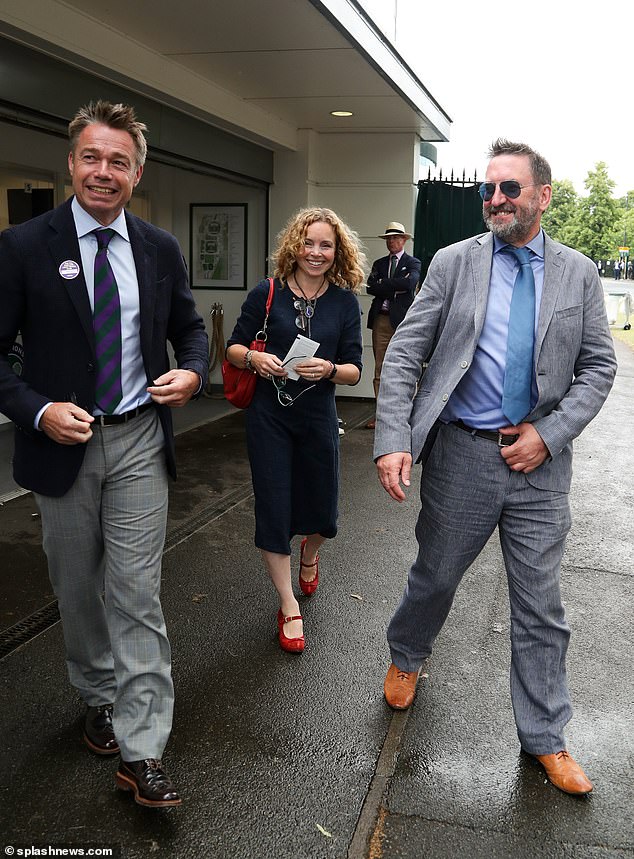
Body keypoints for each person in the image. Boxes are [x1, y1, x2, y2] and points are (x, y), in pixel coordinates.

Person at [374, 139, 616, 796]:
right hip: (462, 455)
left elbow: (599, 367)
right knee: (435, 576)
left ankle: (546, 736)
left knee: (541, 605)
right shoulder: (454, 263)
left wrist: (550, 432)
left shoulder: (578, 272)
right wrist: (393, 435)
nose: (496, 199)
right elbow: (405, 356)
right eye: (489, 189)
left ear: (541, 195)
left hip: (540, 465)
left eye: (510, 188)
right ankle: (407, 653)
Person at [0, 101, 208, 807]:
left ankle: (143, 748)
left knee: (136, 591)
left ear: (136, 171)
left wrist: (193, 371)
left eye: (118, 161)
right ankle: (96, 693)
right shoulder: (25, 245)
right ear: (71, 162)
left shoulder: (159, 248)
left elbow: (189, 328)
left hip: (139, 438)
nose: (103, 172)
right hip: (62, 445)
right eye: (92, 157)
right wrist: (37, 409)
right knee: (75, 583)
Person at [225, 207, 364, 653]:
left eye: (326, 245)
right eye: (309, 243)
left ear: (337, 251)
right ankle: (288, 605)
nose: (316, 253)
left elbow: (355, 370)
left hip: (317, 415)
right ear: (294, 246)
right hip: (269, 416)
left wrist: (329, 369)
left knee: (324, 514)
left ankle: (311, 552)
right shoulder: (266, 293)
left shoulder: (344, 302)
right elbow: (232, 347)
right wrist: (253, 358)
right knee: (275, 507)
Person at [365, 222, 421, 429]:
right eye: (389, 238)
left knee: (406, 366)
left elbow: (409, 284)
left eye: (396, 238)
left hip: (404, 321)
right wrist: (395, 286)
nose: (392, 241)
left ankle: (409, 415)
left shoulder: (413, 262)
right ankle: (381, 416)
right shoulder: (379, 264)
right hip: (381, 318)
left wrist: (384, 285)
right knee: (380, 368)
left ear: (404, 240)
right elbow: (371, 287)